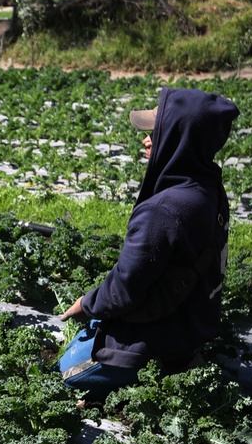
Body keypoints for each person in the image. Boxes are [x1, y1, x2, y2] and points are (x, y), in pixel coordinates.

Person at [58, 87, 239, 402]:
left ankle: (153, 373)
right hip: (192, 325)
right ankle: (178, 360)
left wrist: (85, 305)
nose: (145, 140)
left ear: (181, 138)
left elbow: (124, 289)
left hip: (157, 340)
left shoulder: (164, 210)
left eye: (157, 132)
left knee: (65, 372)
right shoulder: (207, 188)